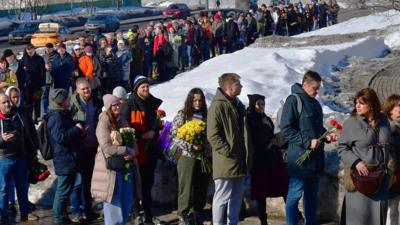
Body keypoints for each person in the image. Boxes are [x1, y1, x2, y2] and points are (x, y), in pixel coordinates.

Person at [280, 70, 328, 225]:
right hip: (299, 162)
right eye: (315, 88)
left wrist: (326, 136)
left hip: (315, 162)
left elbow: (318, 129)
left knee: (311, 198)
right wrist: (308, 142)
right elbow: (286, 129)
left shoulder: (315, 104)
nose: (317, 91)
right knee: (293, 197)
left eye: (319, 87)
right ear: (305, 85)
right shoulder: (294, 101)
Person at [338, 88, 391, 225]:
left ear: (371, 104)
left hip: (381, 179)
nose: (357, 106)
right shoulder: (351, 123)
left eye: (361, 103)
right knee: (358, 220)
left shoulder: (384, 121)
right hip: (360, 179)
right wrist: (356, 162)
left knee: (378, 219)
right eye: (356, 102)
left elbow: (390, 144)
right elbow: (342, 148)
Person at [207, 73, 252, 225]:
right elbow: (212, 135)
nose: (241, 86)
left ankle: (232, 222)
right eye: (238, 84)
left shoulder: (237, 105)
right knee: (222, 197)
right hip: (226, 161)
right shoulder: (217, 105)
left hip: (240, 160)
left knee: (237, 196)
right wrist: (228, 152)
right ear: (229, 87)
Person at [121, 76, 163, 224]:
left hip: (150, 150)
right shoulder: (129, 105)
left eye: (147, 86)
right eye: (142, 87)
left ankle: (148, 214)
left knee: (147, 184)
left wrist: (160, 127)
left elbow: (154, 125)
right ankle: (136, 212)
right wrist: (141, 135)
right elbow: (124, 129)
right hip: (136, 151)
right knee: (135, 184)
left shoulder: (152, 103)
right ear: (136, 88)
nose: (146, 89)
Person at [91, 94, 138, 225]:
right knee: (114, 201)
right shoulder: (103, 122)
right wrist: (126, 150)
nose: (117, 107)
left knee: (126, 199)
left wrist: (133, 152)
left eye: (118, 104)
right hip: (110, 168)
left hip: (124, 166)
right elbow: (106, 148)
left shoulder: (121, 119)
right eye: (114, 105)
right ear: (108, 107)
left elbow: (131, 138)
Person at [170, 88, 211, 225]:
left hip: (203, 156)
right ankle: (183, 214)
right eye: (195, 100)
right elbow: (174, 134)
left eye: (200, 100)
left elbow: (211, 134)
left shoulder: (207, 115)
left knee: (202, 185)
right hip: (187, 155)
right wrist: (190, 146)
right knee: (186, 186)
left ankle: (198, 211)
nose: (198, 103)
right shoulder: (183, 114)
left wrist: (204, 146)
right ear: (190, 101)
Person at [246, 94, 289, 225]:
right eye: (258, 104)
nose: (261, 107)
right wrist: (273, 140)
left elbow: (271, 135)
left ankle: (293, 215)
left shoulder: (266, 119)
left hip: (272, 158)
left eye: (263, 104)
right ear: (253, 104)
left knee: (283, 186)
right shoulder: (250, 119)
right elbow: (255, 138)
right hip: (259, 160)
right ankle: (263, 219)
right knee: (261, 192)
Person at [47, 89, 85, 225]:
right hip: (63, 158)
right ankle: (58, 218)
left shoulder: (62, 114)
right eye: (67, 99)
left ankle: (62, 216)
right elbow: (60, 137)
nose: (69, 101)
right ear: (61, 102)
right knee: (62, 190)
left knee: (68, 188)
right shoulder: (55, 117)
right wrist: (76, 129)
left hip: (69, 157)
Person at [0, 93, 37, 224]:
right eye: (3, 102)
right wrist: (1, 139)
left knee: (22, 188)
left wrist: (33, 152)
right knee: (3, 189)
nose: (7, 104)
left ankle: (25, 215)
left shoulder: (17, 115)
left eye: (7, 101)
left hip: (20, 157)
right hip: (4, 159)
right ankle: (3, 217)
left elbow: (26, 133)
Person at [69, 78, 101, 222]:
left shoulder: (96, 102)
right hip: (79, 147)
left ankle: (88, 209)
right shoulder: (72, 105)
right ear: (77, 90)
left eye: (88, 88)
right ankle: (76, 211)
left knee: (88, 181)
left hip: (93, 146)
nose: (87, 91)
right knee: (78, 181)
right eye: (83, 89)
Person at [16, 44, 46, 122]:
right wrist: (19, 85)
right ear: (26, 51)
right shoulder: (23, 60)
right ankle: (29, 119)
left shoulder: (40, 59)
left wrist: (43, 85)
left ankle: (37, 117)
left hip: (38, 86)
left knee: (37, 101)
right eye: (28, 52)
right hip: (27, 87)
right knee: (28, 103)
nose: (30, 53)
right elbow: (19, 73)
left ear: (34, 50)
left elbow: (43, 73)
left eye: (31, 51)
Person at [384, 94, 400, 225]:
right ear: (390, 109)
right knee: (390, 210)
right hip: (392, 176)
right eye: (398, 106)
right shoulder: (385, 128)